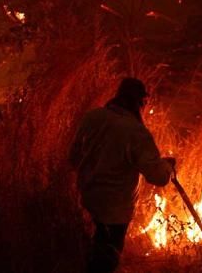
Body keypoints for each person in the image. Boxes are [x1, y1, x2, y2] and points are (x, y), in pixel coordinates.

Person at [69, 77, 175, 273]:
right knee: (107, 259)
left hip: (87, 198)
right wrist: (167, 167)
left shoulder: (92, 117)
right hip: (115, 209)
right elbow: (158, 177)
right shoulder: (135, 132)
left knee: (94, 249)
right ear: (139, 101)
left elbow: (74, 158)